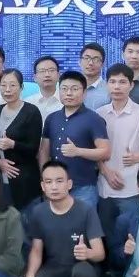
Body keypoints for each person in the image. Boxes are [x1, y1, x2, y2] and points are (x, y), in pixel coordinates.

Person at [19, 160, 107, 277]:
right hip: (54, 267)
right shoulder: (38, 212)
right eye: (48, 182)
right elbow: (36, 250)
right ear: (43, 186)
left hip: (81, 267)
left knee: (83, 274)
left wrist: (87, 253)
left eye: (59, 181)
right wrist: (30, 276)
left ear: (69, 184)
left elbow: (100, 253)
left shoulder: (85, 210)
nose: (54, 186)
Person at [96, 64, 139, 243]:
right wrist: (106, 172)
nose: (117, 86)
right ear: (107, 84)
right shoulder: (99, 114)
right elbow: (95, 151)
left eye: (122, 82)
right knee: (107, 237)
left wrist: (136, 157)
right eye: (112, 82)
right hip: (104, 186)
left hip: (131, 187)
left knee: (131, 236)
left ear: (131, 85)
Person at [39, 71, 110, 208]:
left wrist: (78, 151)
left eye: (74, 89)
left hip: (83, 187)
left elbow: (105, 152)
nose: (69, 93)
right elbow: (44, 151)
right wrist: (45, 176)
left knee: (82, 221)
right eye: (64, 89)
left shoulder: (94, 119)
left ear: (84, 93)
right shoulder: (52, 118)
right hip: (55, 186)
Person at [0, 69, 43, 211]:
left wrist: (13, 144)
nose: (7, 90)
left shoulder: (31, 112)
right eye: (3, 85)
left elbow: (33, 148)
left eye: (12, 85)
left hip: (24, 179)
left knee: (25, 219)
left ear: (21, 87)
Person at [27, 55, 62, 122]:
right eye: (42, 71)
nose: (47, 75)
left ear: (58, 75)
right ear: (35, 78)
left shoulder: (67, 101)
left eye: (51, 70)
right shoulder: (28, 103)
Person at [80, 43, 110, 111]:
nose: (90, 63)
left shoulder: (109, 89)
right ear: (79, 61)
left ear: (102, 64)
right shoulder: (68, 88)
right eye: (87, 58)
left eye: (96, 59)